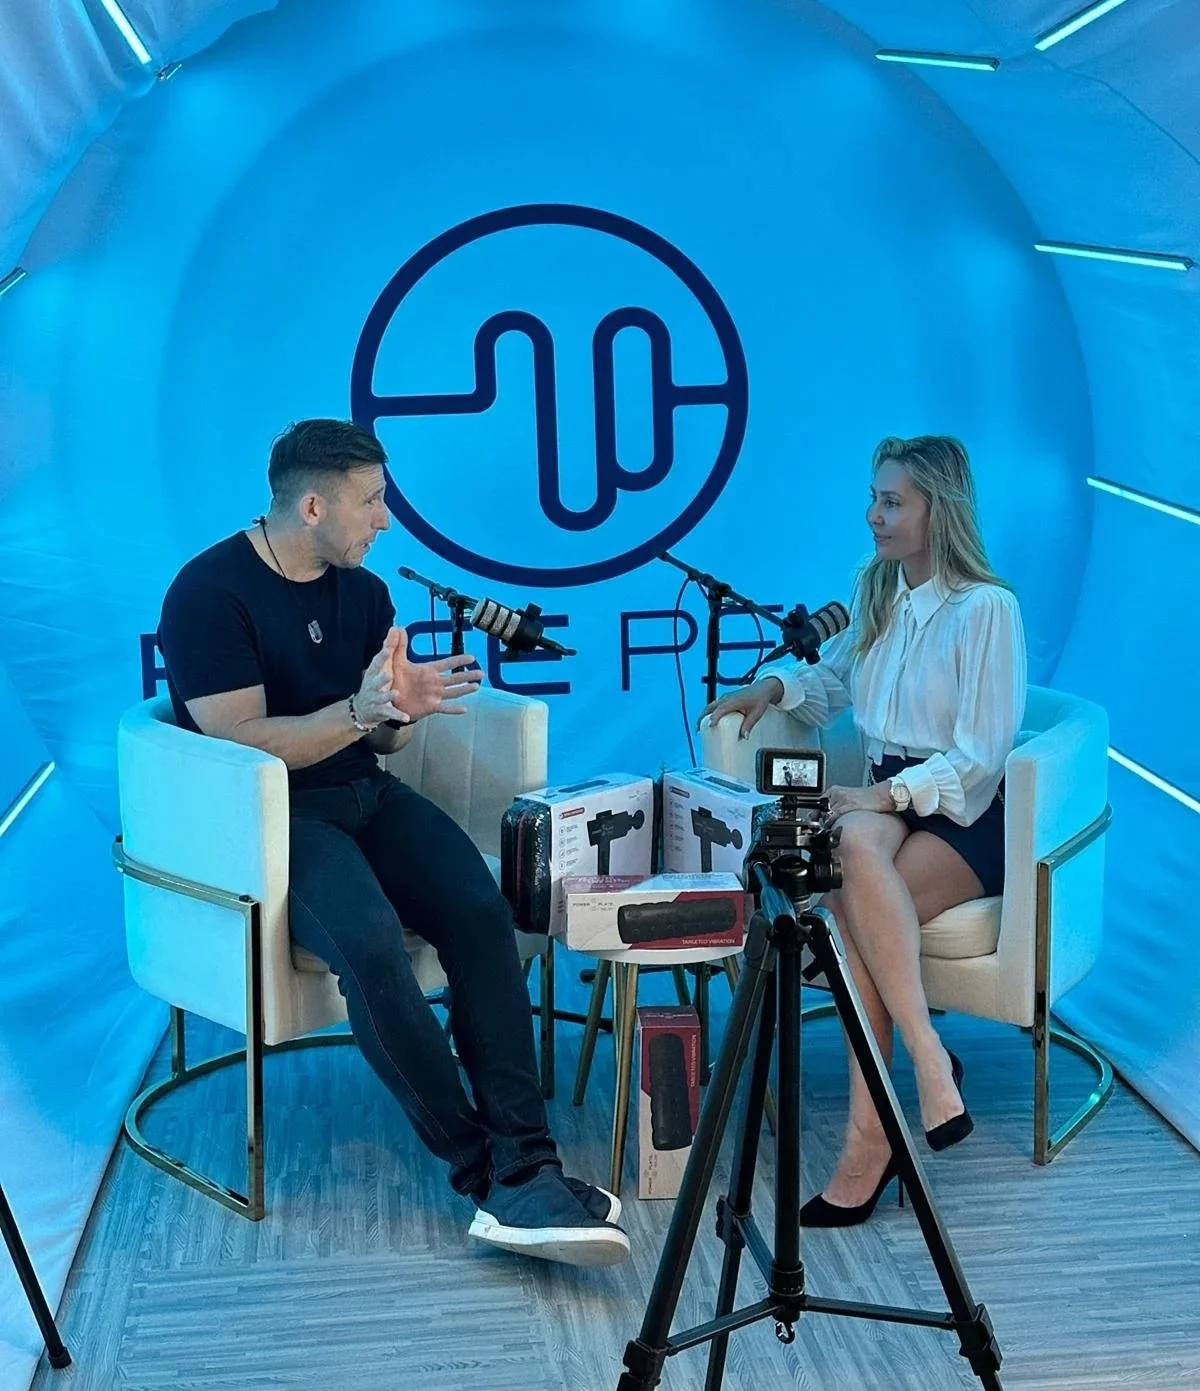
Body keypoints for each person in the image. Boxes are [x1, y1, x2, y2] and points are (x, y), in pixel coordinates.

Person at [157, 418, 630, 1267]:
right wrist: (358, 712)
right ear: (311, 504)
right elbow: (239, 746)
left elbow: (377, 739)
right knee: (371, 944)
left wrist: (397, 715)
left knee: (484, 911)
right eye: (371, 501)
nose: (385, 519)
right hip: (274, 821)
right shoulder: (208, 593)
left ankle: (530, 1159)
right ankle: (488, 1174)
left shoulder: (365, 593)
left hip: (364, 793)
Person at [700, 435, 1026, 1227]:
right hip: (887, 797)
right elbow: (834, 679)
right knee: (852, 854)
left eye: (891, 501)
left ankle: (869, 1145)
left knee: (850, 926)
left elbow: (982, 757)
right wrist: (769, 686)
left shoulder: (987, 608)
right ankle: (926, 1057)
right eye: (875, 497)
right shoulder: (880, 591)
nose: (873, 514)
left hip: (964, 809)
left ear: (935, 511)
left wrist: (888, 798)